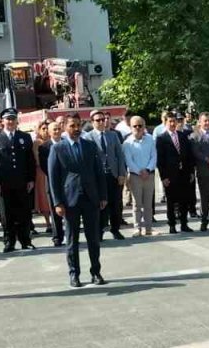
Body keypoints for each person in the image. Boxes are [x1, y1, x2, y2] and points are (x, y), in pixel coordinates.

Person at [49, 113, 107, 288]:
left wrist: (103, 196)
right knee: (72, 240)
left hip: (90, 198)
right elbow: (53, 178)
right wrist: (58, 202)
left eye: (78, 125)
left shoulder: (90, 146)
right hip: (70, 200)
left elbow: (99, 172)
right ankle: (74, 274)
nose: (76, 129)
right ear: (65, 127)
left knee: (93, 238)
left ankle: (96, 272)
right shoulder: (58, 148)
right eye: (72, 126)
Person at [0, 108, 37, 252]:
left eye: (12, 119)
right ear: (2, 122)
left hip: (22, 182)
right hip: (4, 183)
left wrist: (31, 179)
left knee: (24, 213)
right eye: (7, 119)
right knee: (6, 214)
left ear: (17, 121)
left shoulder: (25, 137)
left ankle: (25, 240)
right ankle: (9, 241)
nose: (10, 122)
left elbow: (30, 160)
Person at [85, 110, 129, 240]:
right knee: (100, 205)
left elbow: (120, 155)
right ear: (92, 122)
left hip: (113, 175)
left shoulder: (113, 135)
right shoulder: (88, 137)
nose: (101, 122)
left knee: (116, 204)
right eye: (98, 120)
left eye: (103, 119)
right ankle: (100, 231)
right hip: (98, 177)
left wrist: (122, 173)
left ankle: (115, 229)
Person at [155, 112, 195, 234]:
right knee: (171, 201)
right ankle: (172, 224)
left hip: (184, 173)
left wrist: (191, 171)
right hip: (170, 175)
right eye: (170, 121)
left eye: (174, 121)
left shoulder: (183, 136)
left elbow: (189, 156)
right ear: (165, 123)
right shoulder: (161, 138)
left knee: (184, 200)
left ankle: (184, 224)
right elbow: (160, 159)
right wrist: (164, 177)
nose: (173, 124)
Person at [123, 116, 157, 236]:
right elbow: (128, 161)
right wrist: (139, 171)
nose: (138, 128)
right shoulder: (127, 143)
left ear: (144, 126)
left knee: (148, 204)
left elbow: (154, 156)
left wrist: (147, 170)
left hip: (149, 175)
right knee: (137, 204)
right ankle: (137, 228)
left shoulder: (150, 139)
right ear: (130, 127)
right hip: (135, 176)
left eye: (140, 125)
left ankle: (148, 228)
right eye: (135, 126)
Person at [33, 121, 53, 228]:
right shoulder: (37, 143)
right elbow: (37, 159)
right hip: (41, 172)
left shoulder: (53, 141)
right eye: (43, 129)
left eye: (47, 128)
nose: (45, 131)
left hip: (53, 171)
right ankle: (48, 223)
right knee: (44, 196)